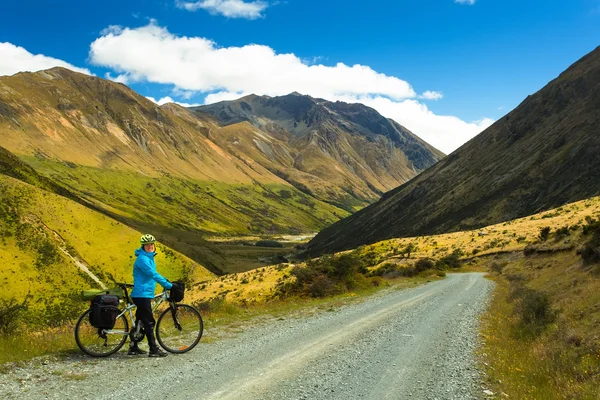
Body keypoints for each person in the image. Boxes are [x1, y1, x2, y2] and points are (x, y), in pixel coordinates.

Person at [128, 234, 173, 357]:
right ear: (143, 246)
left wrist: (165, 280)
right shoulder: (143, 259)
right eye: (147, 244)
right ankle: (153, 349)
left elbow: (153, 274)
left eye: (152, 244)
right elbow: (153, 274)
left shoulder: (148, 258)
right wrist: (169, 285)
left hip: (144, 293)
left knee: (140, 321)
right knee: (149, 322)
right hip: (142, 294)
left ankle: (133, 347)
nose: (150, 246)